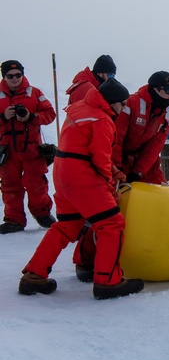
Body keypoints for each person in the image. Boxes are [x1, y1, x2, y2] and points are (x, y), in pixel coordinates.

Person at [18, 78, 145, 299]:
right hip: (82, 177)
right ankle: (108, 281)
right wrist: (111, 188)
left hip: (63, 173)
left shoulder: (79, 109)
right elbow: (100, 160)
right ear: (112, 102)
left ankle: (33, 275)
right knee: (111, 224)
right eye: (122, 104)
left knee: (66, 226)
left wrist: (113, 171)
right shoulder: (102, 120)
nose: (123, 108)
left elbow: (82, 147)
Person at [0, 60, 57, 233]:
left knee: (36, 183)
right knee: (10, 186)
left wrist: (31, 117)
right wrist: (3, 117)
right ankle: (14, 219)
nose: (15, 79)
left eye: (18, 75)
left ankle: (42, 213)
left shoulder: (35, 93)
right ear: (4, 76)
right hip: (7, 151)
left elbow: (50, 114)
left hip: (31, 149)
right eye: (11, 76)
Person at [114, 71, 169, 185]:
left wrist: (138, 172)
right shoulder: (131, 104)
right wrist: (117, 168)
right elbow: (117, 138)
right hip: (120, 161)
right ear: (156, 89)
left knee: (161, 193)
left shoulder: (168, 115)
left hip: (147, 165)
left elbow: (155, 147)